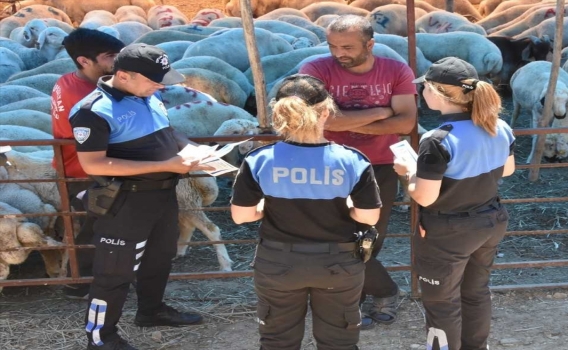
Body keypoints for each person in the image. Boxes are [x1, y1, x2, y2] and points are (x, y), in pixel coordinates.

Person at [230, 74, 382, 350]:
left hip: (278, 263)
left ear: (280, 114)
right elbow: (369, 217)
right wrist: (345, 206)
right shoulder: (352, 160)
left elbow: (241, 216)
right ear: (326, 112)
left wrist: (267, 206)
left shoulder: (258, 160)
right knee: (339, 342)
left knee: (277, 341)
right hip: (337, 264)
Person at [69, 43, 206, 350]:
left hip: (162, 196)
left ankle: (151, 310)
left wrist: (193, 150)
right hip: (125, 201)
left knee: (160, 257)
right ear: (124, 75)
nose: (160, 86)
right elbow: (93, 163)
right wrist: (165, 165)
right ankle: (100, 337)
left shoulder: (150, 95)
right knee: (113, 272)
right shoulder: (94, 111)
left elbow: (166, 133)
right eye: (153, 80)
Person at [298, 14, 417, 329]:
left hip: (378, 167)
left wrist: (346, 119)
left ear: (370, 44)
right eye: (333, 46)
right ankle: (387, 292)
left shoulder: (396, 71)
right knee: (333, 237)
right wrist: (379, 113)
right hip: (328, 162)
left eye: (348, 47)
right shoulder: (315, 70)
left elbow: (406, 123)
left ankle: (356, 300)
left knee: (370, 238)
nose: (339, 53)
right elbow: (319, 121)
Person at [393, 57, 516, 350]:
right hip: (490, 220)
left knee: (441, 301)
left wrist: (408, 172)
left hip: (448, 231)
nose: (421, 93)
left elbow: (424, 196)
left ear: (436, 93)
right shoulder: (499, 125)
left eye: (424, 87)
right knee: (475, 292)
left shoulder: (437, 140)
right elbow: (508, 170)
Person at [51, 28, 125, 300]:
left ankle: (87, 279)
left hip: (75, 165)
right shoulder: (87, 96)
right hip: (86, 169)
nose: (117, 61)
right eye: (110, 56)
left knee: (92, 225)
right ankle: (78, 283)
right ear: (84, 61)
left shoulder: (67, 81)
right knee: (94, 228)